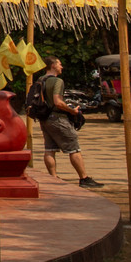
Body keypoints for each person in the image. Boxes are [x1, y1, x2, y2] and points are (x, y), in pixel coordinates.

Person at [33, 57, 103, 189]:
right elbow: (58, 102)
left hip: (44, 118)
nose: (61, 67)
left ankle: (53, 178)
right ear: (53, 65)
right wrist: (73, 111)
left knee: (49, 149)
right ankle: (84, 178)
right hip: (58, 118)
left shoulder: (40, 80)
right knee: (74, 147)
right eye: (59, 64)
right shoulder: (57, 81)